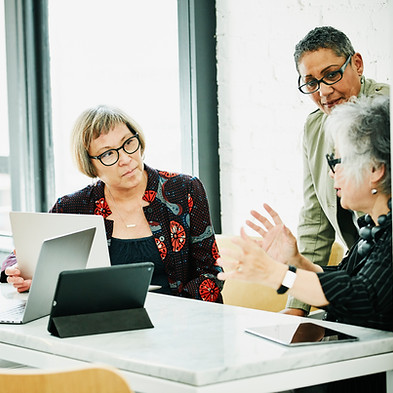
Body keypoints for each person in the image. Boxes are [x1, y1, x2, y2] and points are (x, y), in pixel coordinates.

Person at [217, 95, 392, 392]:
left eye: (338, 161)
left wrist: (276, 274)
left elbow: (364, 296)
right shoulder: (372, 227)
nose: (331, 172)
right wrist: (297, 261)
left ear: (376, 169)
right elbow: (348, 280)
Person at [1, 105, 223, 302]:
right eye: (108, 154)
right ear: (90, 164)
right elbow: (19, 256)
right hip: (104, 325)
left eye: (128, 143)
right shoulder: (73, 207)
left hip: (182, 326)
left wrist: (172, 315)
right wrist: (21, 273)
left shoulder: (184, 189)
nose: (126, 159)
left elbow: (210, 273)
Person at [284, 26, 390, 316]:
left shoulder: (385, 114)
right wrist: (297, 308)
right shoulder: (314, 127)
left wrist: (277, 275)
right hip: (358, 268)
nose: (324, 91)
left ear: (356, 64)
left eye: (332, 75)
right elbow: (314, 222)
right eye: (311, 83)